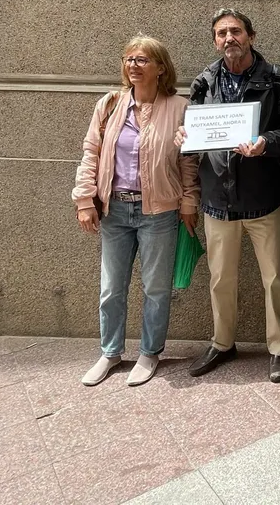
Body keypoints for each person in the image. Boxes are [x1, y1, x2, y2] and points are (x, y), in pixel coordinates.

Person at [177, 9, 280, 382]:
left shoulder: (276, 79)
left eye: (235, 31)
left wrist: (265, 144)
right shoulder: (204, 82)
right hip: (218, 198)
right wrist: (185, 136)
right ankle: (222, 342)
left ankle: (278, 348)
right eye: (221, 33)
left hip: (265, 197)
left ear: (251, 35)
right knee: (220, 278)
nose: (229, 38)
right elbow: (193, 128)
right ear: (215, 40)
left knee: (275, 279)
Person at [73, 35, 199, 387]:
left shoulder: (179, 107)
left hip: (158, 212)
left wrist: (189, 203)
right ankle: (110, 353)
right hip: (115, 212)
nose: (133, 65)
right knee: (112, 288)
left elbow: (189, 162)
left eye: (142, 59)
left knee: (155, 288)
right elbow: (90, 154)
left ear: (161, 68)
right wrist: (85, 200)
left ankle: (149, 352)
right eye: (129, 58)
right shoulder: (110, 105)